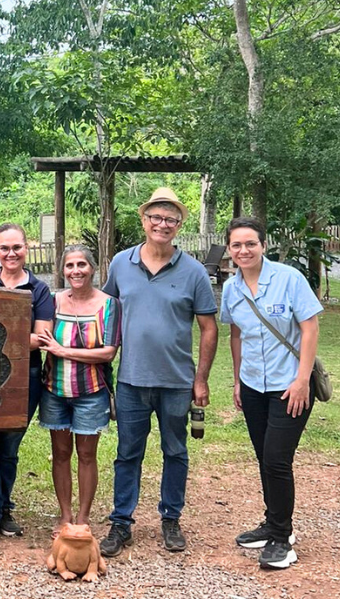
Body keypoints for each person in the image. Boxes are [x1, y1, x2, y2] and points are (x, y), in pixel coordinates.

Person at [100, 187, 218, 557]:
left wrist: (200, 379)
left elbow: (209, 327)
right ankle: (121, 522)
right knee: (127, 453)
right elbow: (108, 310)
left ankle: (171, 518)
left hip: (176, 381)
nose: (162, 224)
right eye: (156, 217)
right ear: (144, 220)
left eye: (170, 219)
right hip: (132, 378)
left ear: (179, 225)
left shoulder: (194, 271)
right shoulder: (121, 263)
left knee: (175, 450)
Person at [220, 217, 322, 569]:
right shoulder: (231, 289)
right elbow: (235, 335)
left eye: (250, 243)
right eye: (237, 245)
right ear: (229, 250)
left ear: (263, 245)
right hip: (252, 386)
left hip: (289, 386)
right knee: (265, 457)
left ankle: (282, 539)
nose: (243, 250)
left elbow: (309, 328)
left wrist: (302, 380)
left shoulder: (289, 279)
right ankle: (273, 522)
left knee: (278, 460)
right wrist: (236, 381)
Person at [0, 223, 54, 540]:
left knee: (8, 448)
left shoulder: (39, 290)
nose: (11, 253)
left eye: (16, 247)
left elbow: (42, 338)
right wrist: (20, 338)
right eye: (4, 248)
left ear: (26, 248)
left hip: (24, 378)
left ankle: (4, 510)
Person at [39, 245, 120, 536]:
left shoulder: (109, 304)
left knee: (87, 455)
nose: (76, 271)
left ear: (93, 268)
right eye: (70, 265)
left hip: (91, 391)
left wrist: (63, 350)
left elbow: (108, 352)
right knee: (60, 453)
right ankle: (65, 515)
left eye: (82, 265)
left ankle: (83, 517)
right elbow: (42, 339)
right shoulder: (52, 301)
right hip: (54, 390)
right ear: (62, 270)